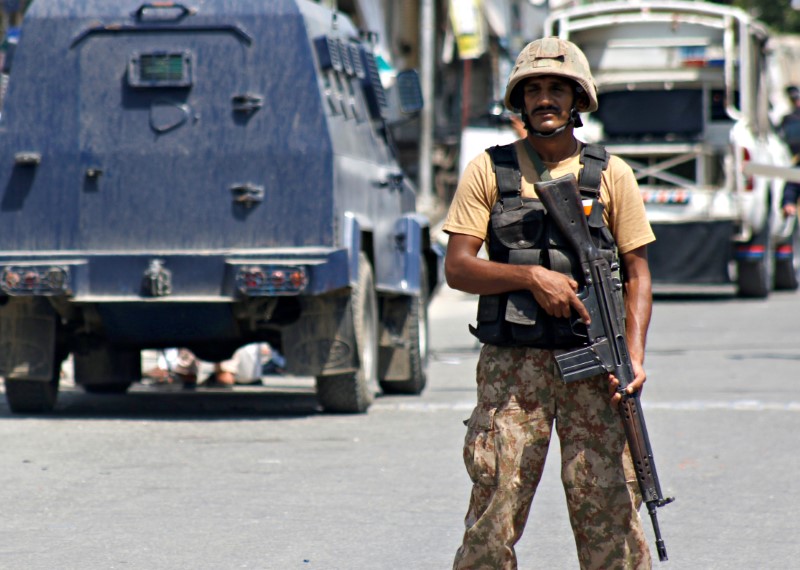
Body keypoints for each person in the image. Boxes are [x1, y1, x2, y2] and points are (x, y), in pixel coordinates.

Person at [443, 37, 656, 569]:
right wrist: (530, 276)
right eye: (533, 89)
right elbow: (458, 267)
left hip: (594, 371)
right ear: (520, 102)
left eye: (556, 89)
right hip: (513, 373)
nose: (544, 99)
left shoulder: (612, 174)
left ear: (576, 100)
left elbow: (637, 274)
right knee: (495, 513)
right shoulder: (489, 170)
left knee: (609, 515)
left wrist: (632, 359)